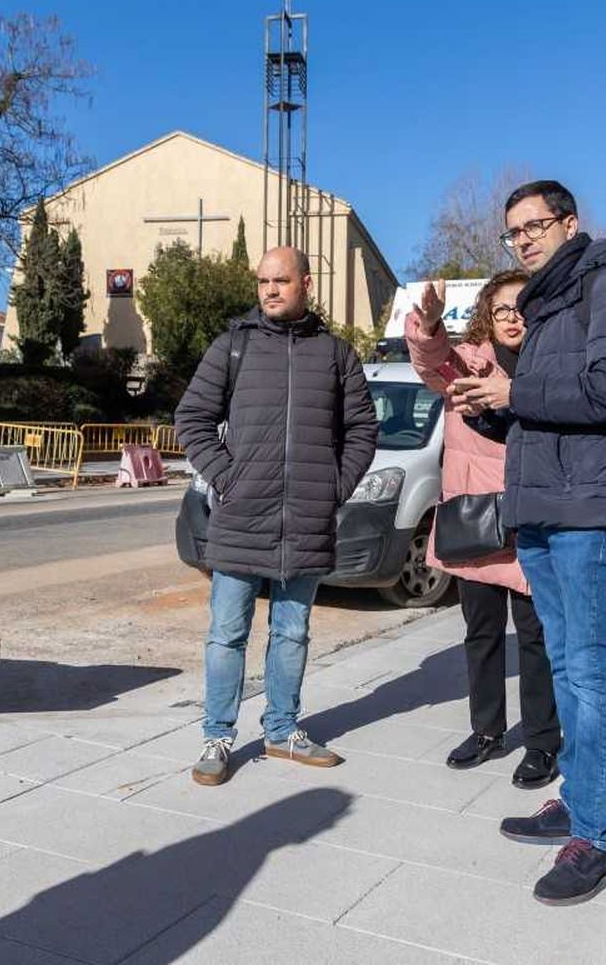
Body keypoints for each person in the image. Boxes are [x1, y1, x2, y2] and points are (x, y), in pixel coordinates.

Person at [448, 180, 606, 905]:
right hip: (539, 502)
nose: (524, 240)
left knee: (590, 668)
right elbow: (543, 412)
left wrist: (515, 395)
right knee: (565, 664)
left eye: (536, 225)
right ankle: (577, 798)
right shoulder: (546, 301)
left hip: (587, 505)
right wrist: (488, 409)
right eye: (514, 232)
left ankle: (595, 839)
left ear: (570, 223)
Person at [174, 246, 379, 787]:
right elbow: (192, 418)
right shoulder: (233, 346)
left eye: (280, 281)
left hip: (307, 521)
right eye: (263, 281)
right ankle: (217, 737)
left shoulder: (336, 354)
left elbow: (363, 429)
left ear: (305, 284)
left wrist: (333, 487)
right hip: (241, 518)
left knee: (292, 631)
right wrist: (229, 477)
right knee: (227, 633)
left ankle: (282, 729)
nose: (269, 290)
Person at [404, 271, 562, 789]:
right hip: (477, 519)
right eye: (502, 310)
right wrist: (429, 326)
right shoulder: (469, 362)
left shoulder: (551, 365)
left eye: (522, 308)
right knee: (482, 634)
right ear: (486, 316)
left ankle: (542, 742)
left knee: (537, 639)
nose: (513, 319)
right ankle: (487, 731)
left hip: (534, 518)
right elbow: (431, 361)